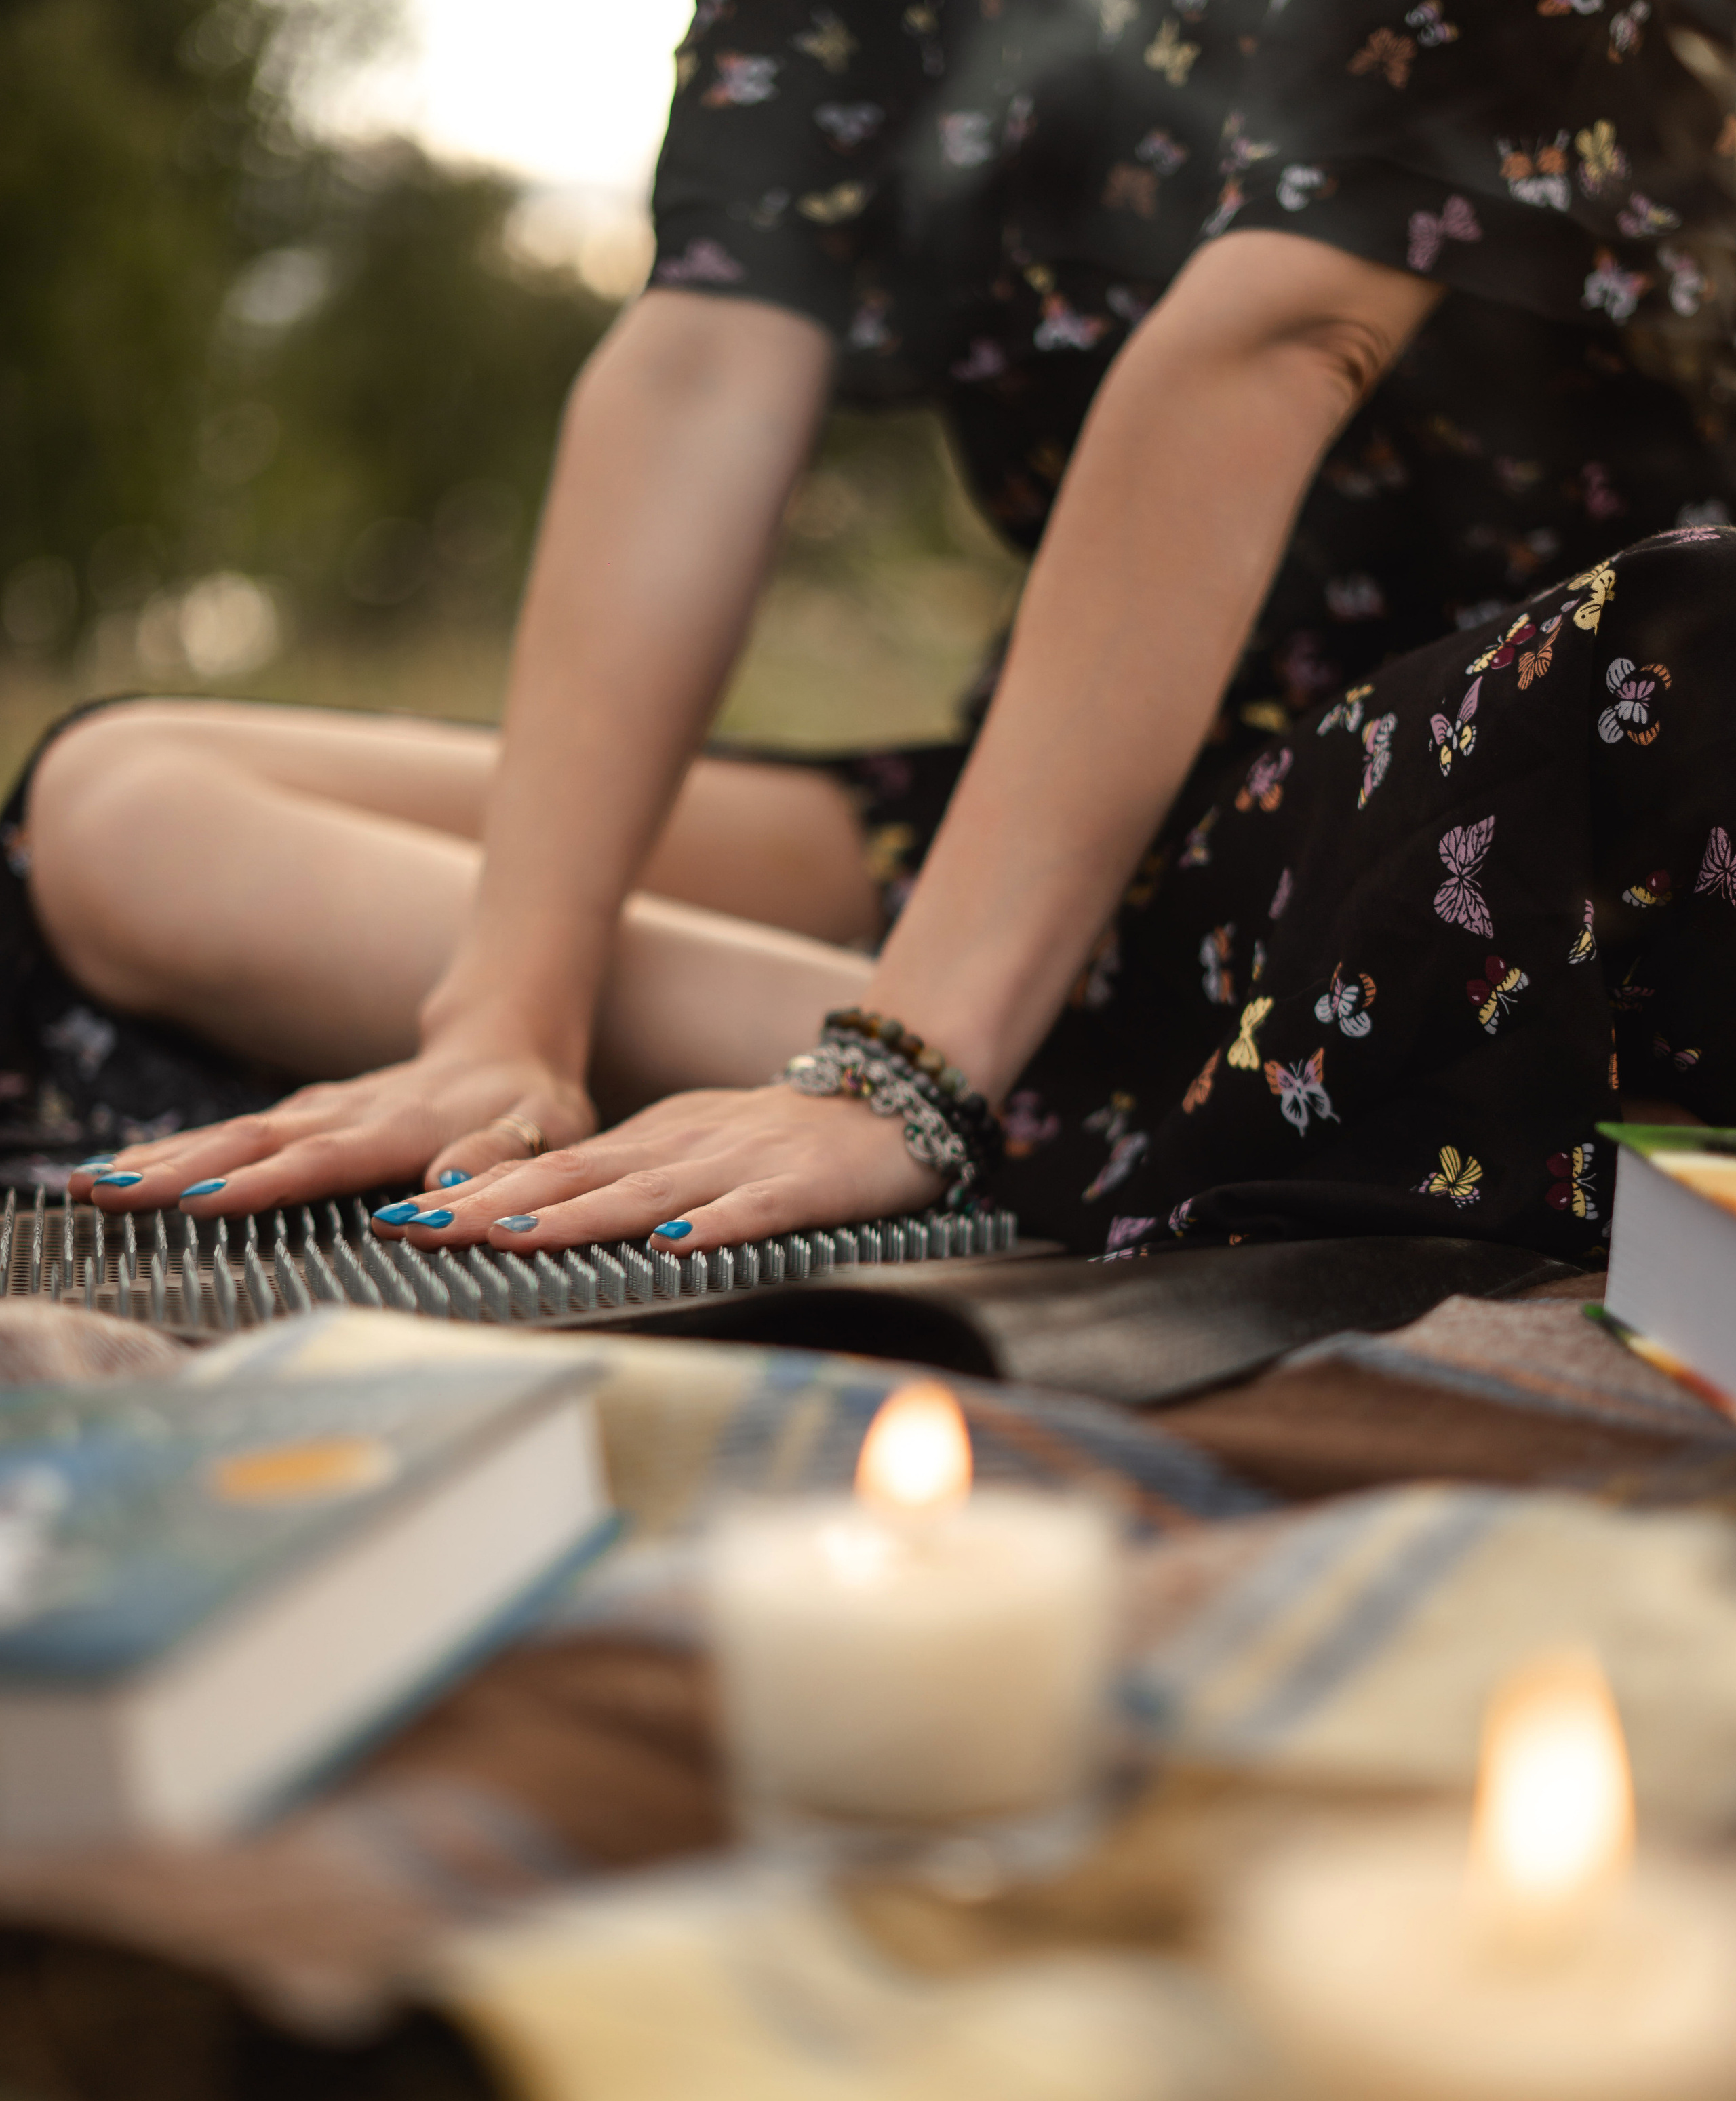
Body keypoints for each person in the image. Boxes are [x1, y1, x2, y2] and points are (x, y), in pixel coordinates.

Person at [20, 0, 1736, 1261]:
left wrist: (901, 1064)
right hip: (1095, 813)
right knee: (122, 803)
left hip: (1491, 799)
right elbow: (703, 363)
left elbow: (1277, 334)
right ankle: (1140, 1082)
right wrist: (504, 1012)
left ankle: (1012, 1081)